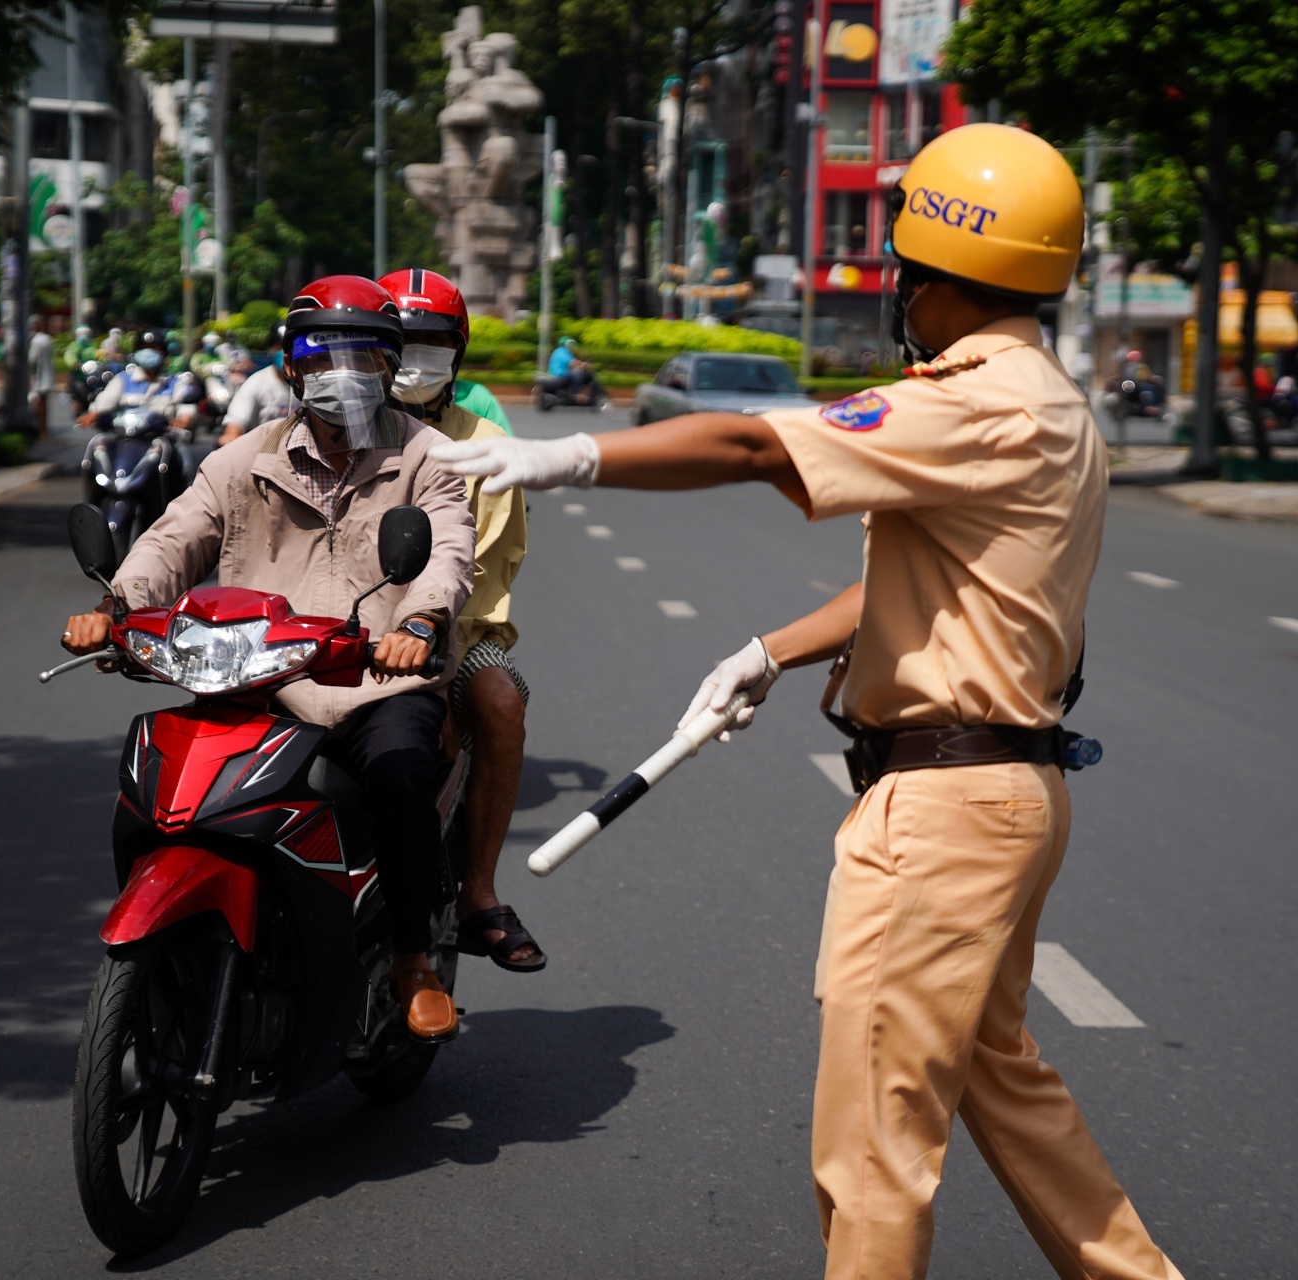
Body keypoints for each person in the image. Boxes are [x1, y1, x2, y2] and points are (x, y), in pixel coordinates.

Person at [432, 123, 1186, 1280]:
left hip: (941, 812)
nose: (899, 293)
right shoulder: (1053, 407)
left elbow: (750, 445)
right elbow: (931, 583)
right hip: (1010, 792)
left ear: (937, 275)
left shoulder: (976, 403)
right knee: (1004, 1082)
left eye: (903, 271)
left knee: (874, 1149)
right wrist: (769, 649)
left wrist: (566, 455)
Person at [60, 276, 476, 1042]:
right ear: (291, 365)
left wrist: (418, 620)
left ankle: (413, 954)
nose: (342, 373)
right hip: (251, 680)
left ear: (390, 367)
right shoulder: (240, 460)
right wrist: (113, 610)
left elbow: (447, 550)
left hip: (373, 683)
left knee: (399, 770)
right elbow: (172, 539)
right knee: (168, 774)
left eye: (365, 356)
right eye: (323, 355)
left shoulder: (429, 455)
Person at [380, 267, 543, 972]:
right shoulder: (334, 431)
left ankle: (478, 892)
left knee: (500, 701)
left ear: (458, 352)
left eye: (433, 342)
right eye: (402, 340)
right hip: (333, 637)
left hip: (453, 637)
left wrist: (440, 670)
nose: (417, 356)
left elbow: (478, 580)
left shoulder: (484, 445)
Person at [85, 329, 198, 428]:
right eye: (144, 348)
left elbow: (185, 407)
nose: (148, 352)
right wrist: (93, 414)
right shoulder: (122, 379)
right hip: (125, 437)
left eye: (154, 348)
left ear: (164, 353)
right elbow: (105, 401)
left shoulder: (174, 382)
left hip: (161, 440)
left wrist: (184, 419)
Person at [219, 338, 298, 445]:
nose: (285, 350)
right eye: (279, 345)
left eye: (291, 346)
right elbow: (234, 427)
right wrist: (231, 437)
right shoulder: (256, 382)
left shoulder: (311, 381)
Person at [28, 319, 55, 434]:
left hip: (38, 377)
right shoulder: (48, 339)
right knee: (44, 404)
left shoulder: (35, 341)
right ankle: (44, 429)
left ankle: (38, 429)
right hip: (48, 376)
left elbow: (32, 360)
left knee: (35, 403)